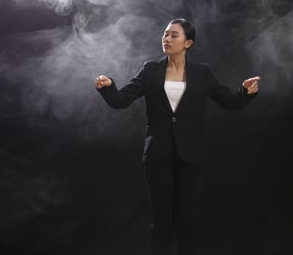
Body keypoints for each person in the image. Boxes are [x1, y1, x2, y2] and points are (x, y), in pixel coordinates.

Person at [95, 18, 259, 255]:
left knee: (187, 222)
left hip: (190, 156)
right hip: (157, 157)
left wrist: (245, 92)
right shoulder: (150, 70)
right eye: (165, 34)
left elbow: (228, 102)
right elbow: (121, 101)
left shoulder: (202, 72)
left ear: (188, 43)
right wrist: (108, 86)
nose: (167, 39)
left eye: (174, 35)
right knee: (161, 221)